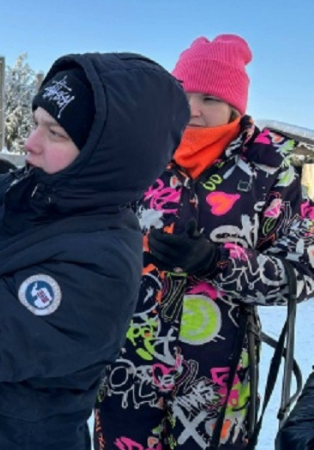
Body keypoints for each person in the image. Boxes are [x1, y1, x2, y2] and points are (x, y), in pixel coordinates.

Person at [0, 52, 190, 449]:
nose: (30, 144)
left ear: (108, 154)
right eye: (35, 123)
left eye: (55, 133)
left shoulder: (101, 262)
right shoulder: (27, 191)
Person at [94, 34, 314, 450]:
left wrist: (218, 262)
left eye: (210, 98)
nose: (193, 110)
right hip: (125, 367)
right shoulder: (136, 154)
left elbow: (303, 271)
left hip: (217, 379)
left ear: (235, 106)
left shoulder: (269, 170)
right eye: (183, 93)